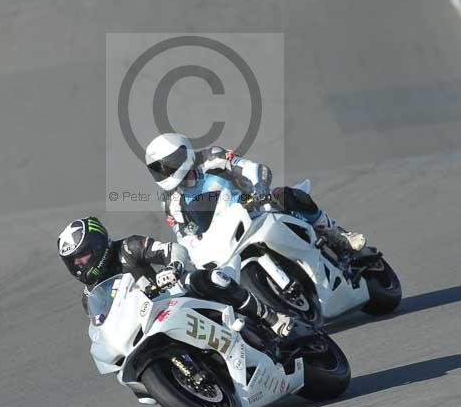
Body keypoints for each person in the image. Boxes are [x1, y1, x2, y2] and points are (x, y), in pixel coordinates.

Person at [57, 215, 294, 337]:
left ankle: (271, 317)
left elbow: (172, 250)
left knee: (209, 279)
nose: (78, 265)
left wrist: (174, 269)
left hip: (173, 297)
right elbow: (104, 328)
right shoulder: (90, 297)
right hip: (146, 326)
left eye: (82, 256)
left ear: (98, 246)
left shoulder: (128, 248)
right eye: (73, 262)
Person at [144, 132, 367, 259]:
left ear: (184, 152)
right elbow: (184, 236)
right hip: (225, 239)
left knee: (288, 196)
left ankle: (338, 234)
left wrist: (259, 185)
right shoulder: (170, 201)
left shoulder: (212, 157)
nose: (167, 171)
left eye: (169, 165)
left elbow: (252, 168)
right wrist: (191, 253)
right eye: (159, 168)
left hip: (257, 208)